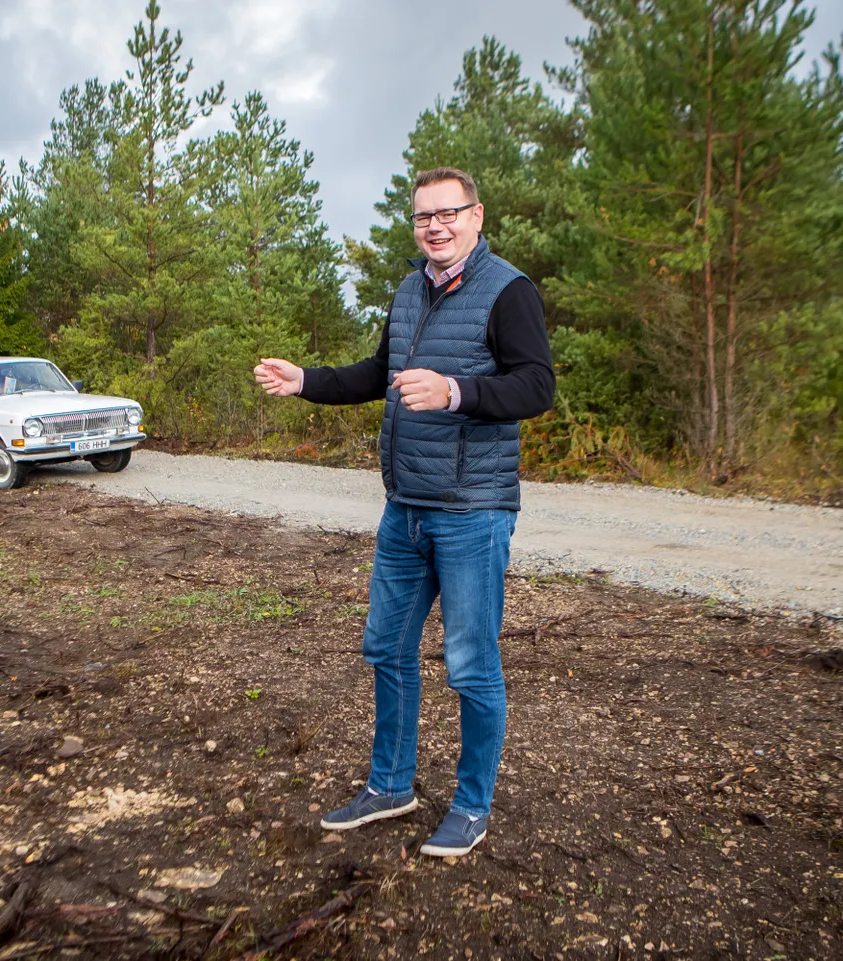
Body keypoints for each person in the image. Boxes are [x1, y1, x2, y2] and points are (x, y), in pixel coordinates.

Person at [253, 167, 554, 857]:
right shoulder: (408, 290)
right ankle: (391, 785)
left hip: (472, 512)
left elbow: (536, 385)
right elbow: (375, 372)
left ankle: (472, 804)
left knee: (471, 664)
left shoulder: (509, 290)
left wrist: (455, 390)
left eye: (449, 213)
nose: (436, 226)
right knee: (386, 647)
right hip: (406, 510)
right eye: (424, 216)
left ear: (477, 216)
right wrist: (305, 382)